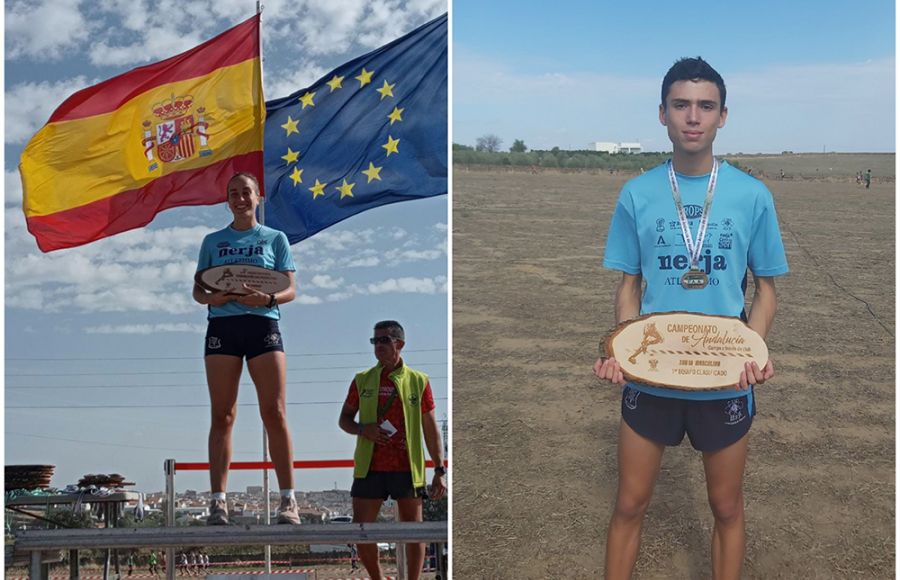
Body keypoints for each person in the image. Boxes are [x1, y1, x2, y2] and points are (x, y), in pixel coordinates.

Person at [593, 57, 788, 580]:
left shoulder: (752, 195)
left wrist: (755, 352)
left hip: (725, 380)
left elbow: (766, 291)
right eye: (681, 105)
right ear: (662, 114)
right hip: (653, 378)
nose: (693, 117)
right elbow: (629, 284)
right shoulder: (637, 193)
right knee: (630, 505)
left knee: (726, 509)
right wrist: (621, 351)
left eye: (705, 106)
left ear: (723, 116)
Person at [193, 172, 300, 525]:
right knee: (222, 415)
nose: (240, 199)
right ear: (228, 200)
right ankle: (218, 502)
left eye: (246, 192)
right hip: (222, 326)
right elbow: (199, 292)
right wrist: (217, 297)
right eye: (233, 193)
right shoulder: (212, 241)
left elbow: (290, 289)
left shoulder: (275, 238)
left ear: (258, 197)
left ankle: (288, 501)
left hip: (263, 324)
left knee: (276, 411)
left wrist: (266, 297)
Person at [338, 320, 447, 580]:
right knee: (361, 530)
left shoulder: (419, 381)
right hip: (370, 467)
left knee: (414, 531)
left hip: (407, 467)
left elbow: (430, 428)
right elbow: (344, 421)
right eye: (374, 341)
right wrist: (365, 430)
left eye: (384, 340)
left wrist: (439, 469)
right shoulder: (362, 380)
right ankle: (377, 578)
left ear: (400, 344)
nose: (378, 347)